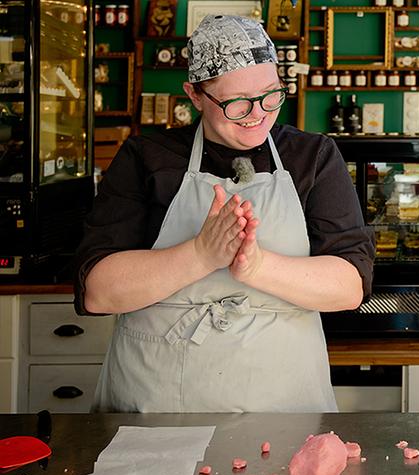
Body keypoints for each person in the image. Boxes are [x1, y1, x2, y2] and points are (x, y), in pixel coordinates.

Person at [74, 15, 374, 413]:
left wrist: (258, 267)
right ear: (195, 96)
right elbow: (98, 292)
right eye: (237, 103)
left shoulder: (312, 157)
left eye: (271, 95)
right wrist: (200, 255)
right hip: (156, 404)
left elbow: (349, 287)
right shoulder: (146, 157)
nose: (258, 114)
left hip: (280, 403)